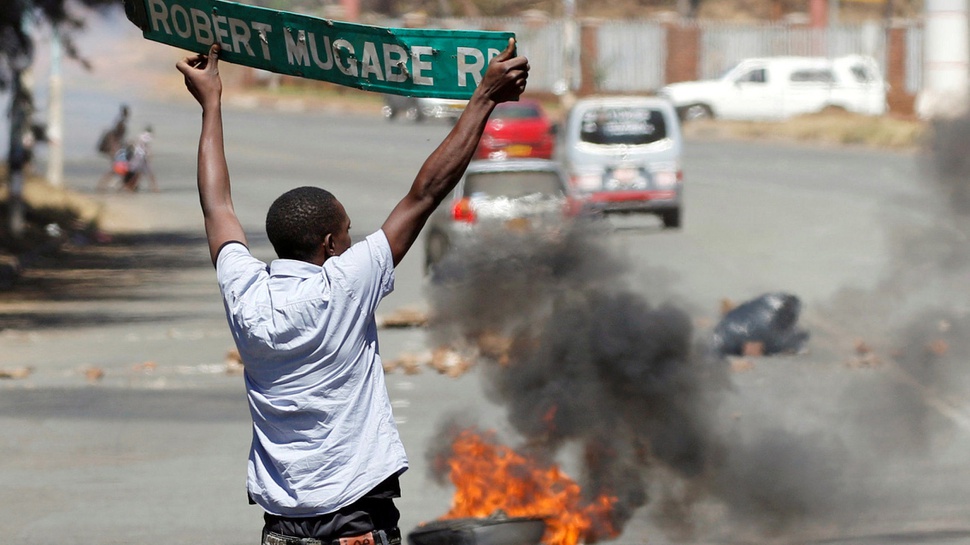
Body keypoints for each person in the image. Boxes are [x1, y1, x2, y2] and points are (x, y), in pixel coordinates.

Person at [176, 41, 529, 545]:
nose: (352, 240)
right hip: (355, 522)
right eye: (346, 233)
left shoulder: (245, 293)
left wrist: (210, 104)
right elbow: (426, 193)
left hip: (281, 527)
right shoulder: (344, 285)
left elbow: (217, 207)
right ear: (328, 244)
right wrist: (484, 99)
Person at [96, 104, 130, 192]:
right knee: (118, 169)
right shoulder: (121, 123)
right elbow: (118, 136)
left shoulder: (120, 121)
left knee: (120, 168)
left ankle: (121, 186)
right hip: (116, 149)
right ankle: (102, 186)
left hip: (116, 149)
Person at [121, 125, 159, 193]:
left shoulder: (140, 135)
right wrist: (149, 154)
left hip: (137, 156)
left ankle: (128, 187)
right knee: (148, 174)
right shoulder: (148, 136)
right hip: (142, 157)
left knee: (138, 174)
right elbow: (145, 146)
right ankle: (155, 189)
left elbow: (135, 143)